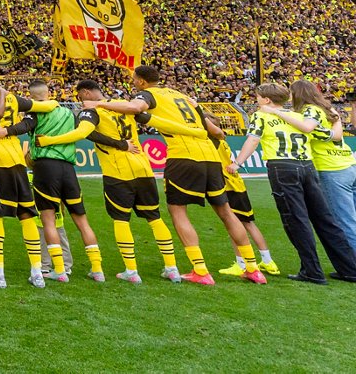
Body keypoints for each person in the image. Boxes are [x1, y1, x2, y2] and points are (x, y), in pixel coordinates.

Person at [90, 64, 266, 285]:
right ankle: (252, 267)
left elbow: (134, 107)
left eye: (134, 79)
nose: (133, 83)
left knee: (177, 211)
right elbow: (217, 132)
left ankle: (200, 270)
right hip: (210, 157)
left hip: (183, 156)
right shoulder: (181, 95)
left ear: (142, 81)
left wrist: (98, 103)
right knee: (227, 212)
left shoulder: (148, 94)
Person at [42, 78, 183, 284]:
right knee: (154, 218)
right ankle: (172, 268)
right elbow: (152, 120)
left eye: (81, 96)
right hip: (143, 168)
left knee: (121, 219)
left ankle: (131, 271)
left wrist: (50, 140)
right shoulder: (123, 105)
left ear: (87, 93)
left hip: (117, 171)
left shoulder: (92, 111)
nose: (81, 101)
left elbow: (85, 133)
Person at [230, 83, 356, 284]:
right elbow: (328, 135)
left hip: (282, 168)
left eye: (258, 97)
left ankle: (312, 270)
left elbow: (253, 140)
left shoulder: (262, 116)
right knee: (324, 220)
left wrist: (237, 163)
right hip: (307, 166)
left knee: (296, 220)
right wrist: (337, 119)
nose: (257, 101)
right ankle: (349, 269)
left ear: (267, 100)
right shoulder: (300, 117)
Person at [0, 69, 58, 289]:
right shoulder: (11, 97)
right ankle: (37, 272)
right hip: (18, 162)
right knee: (27, 215)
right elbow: (42, 108)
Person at [26, 80, 106, 283]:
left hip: (46, 167)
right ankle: (97, 269)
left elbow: (30, 147)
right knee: (82, 221)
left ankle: (59, 270)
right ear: (48, 92)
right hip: (68, 169)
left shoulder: (36, 112)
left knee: (48, 219)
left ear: (32, 97)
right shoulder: (67, 113)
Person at [275, 79, 356, 257]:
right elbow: (337, 135)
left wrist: (278, 112)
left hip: (331, 168)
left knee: (345, 221)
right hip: (348, 164)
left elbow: (308, 127)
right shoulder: (330, 109)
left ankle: (352, 265)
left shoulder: (309, 110)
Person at [212, 129, 278, 279]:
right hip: (237, 184)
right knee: (249, 223)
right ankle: (268, 261)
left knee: (233, 224)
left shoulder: (212, 142)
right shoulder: (222, 140)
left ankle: (241, 264)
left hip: (228, 186)